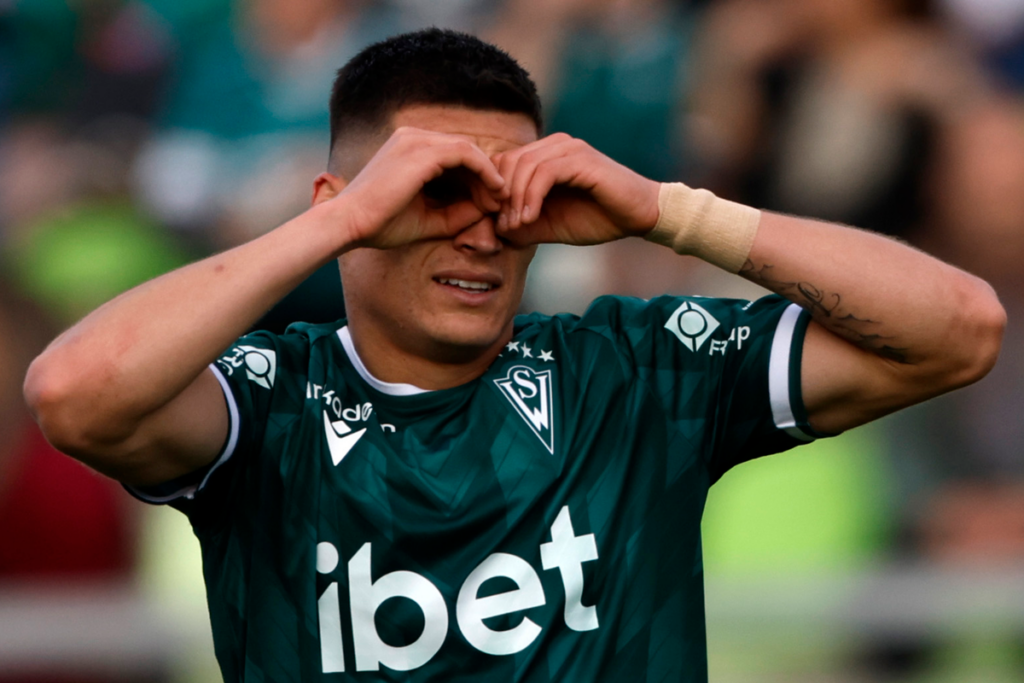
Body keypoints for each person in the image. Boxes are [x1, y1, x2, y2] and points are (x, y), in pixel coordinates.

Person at [23, 28, 1004, 682]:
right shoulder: (268, 401)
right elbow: (74, 390)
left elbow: (958, 326)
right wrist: (341, 222)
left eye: (509, 199)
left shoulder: (635, 372)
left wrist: (671, 212)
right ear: (344, 205)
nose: (483, 234)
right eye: (437, 191)